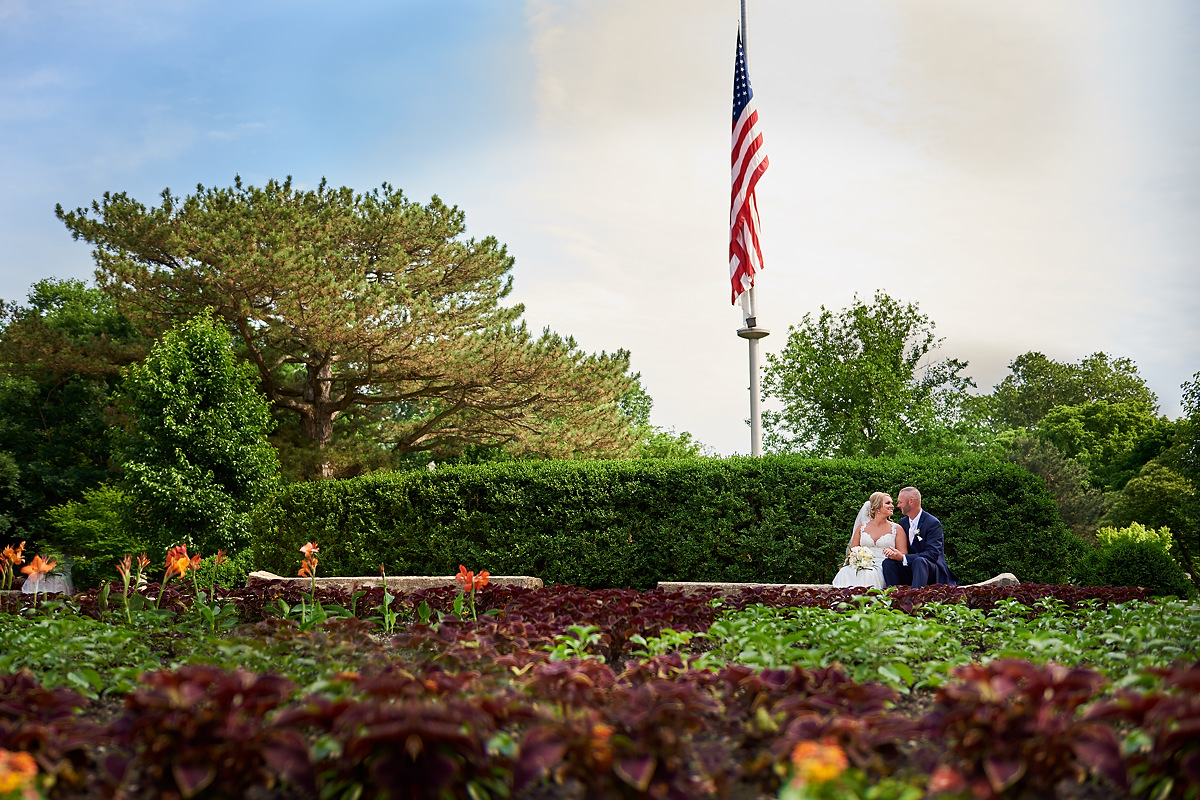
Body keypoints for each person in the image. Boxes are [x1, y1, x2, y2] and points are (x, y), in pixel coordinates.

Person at [881, 486, 957, 588]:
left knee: (919, 561)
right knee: (888, 563)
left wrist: (903, 557)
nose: (898, 505)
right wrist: (894, 553)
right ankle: (896, 598)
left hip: (931, 571)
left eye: (900, 502)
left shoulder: (932, 523)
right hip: (911, 569)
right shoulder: (903, 522)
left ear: (911, 502)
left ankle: (914, 599)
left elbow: (932, 554)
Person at [832, 491, 904, 589]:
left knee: (868, 574)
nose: (892, 506)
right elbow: (851, 550)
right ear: (877, 507)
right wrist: (855, 559)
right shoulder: (862, 526)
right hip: (862, 565)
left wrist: (893, 553)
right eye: (888, 503)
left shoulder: (896, 528)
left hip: (883, 567)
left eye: (892, 503)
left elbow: (903, 554)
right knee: (845, 571)